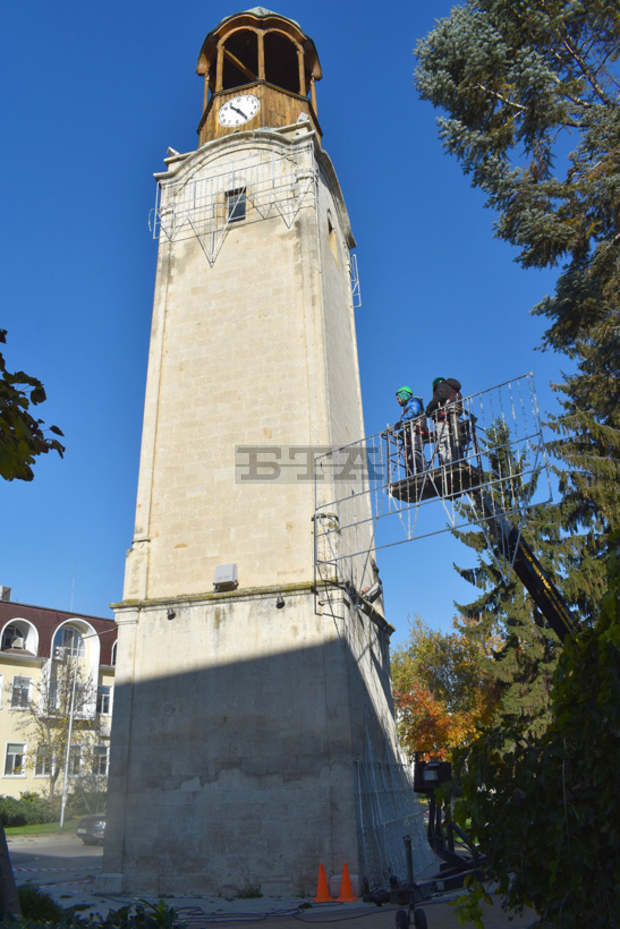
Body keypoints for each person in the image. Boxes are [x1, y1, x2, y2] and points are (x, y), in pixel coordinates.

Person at [426, 377, 467, 466]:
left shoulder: (442, 387)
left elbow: (440, 397)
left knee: (443, 442)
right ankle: (457, 460)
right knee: (453, 441)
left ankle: (447, 463)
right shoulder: (456, 392)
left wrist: (429, 409)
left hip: (443, 419)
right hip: (453, 419)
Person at [393, 386, 427, 474]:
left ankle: (423, 473)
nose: (398, 401)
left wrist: (401, 421)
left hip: (417, 431)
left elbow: (413, 412)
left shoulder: (414, 401)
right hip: (410, 435)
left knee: (416, 453)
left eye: (398, 398)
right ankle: (411, 477)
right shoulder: (406, 407)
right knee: (408, 458)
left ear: (404, 395)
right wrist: (400, 434)